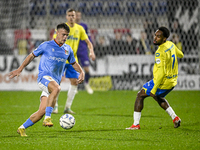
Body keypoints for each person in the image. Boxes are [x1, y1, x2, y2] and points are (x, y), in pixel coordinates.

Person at [9, 23, 84, 136]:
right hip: (44, 78)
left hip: (53, 84)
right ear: (57, 32)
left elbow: (73, 63)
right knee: (57, 88)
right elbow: (31, 56)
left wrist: (81, 72)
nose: (65, 37)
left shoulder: (67, 49)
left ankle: (22, 128)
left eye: (67, 35)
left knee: (42, 111)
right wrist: (20, 69)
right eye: (63, 34)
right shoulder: (46, 45)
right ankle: (48, 118)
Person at [126, 27, 184, 130]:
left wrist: (154, 88)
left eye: (158, 36)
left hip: (162, 81)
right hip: (172, 81)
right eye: (155, 35)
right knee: (158, 97)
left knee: (140, 95)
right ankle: (175, 118)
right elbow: (181, 55)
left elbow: (161, 73)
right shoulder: (171, 44)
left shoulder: (159, 52)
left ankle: (136, 124)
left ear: (164, 38)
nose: (155, 38)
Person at [53, 8, 95, 114]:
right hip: (60, 60)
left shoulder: (80, 28)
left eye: (73, 15)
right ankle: (55, 106)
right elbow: (54, 41)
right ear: (66, 17)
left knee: (74, 82)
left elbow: (88, 42)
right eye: (69, 15)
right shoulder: (61, 28)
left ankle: (67, 107)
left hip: (72, 61)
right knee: (56, 83)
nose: (71, 17)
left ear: (76, 16)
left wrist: (91, 52)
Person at [76, 11, 94, 94]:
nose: (77, 17)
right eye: (76, 15)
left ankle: (86, 84)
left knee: (86, 69)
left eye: (79, 15)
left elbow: (88, 38)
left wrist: (91, 50)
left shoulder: (84, 26)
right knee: (74, 70)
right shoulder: (70, 26)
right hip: (74, 50)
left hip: (83, 50)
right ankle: (74, 86)